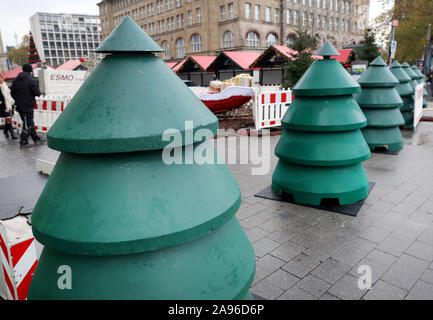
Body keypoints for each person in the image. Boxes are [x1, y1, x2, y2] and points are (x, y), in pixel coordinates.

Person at [11, 63, 43, 148]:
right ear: (30, 70)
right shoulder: (31, 80)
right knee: (27, 124)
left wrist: (18, 100)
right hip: (28, 105)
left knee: (28, 122)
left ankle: (36, 139)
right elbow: (37, 93)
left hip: (19, 106)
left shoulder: (16, 80)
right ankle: (23, 142)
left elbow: (12, 93)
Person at [0, 74, 17, 139]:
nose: (1, 79)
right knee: (8, 117)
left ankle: (5, 130)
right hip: (2, 105)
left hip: (9, 104)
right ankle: (12, 132)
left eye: (1, 78)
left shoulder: (4, 85)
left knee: (9, 117)